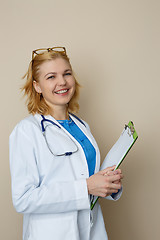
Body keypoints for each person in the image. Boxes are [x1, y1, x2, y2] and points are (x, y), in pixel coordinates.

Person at [9, 46, 123, 240]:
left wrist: (107, 183)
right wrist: (85, 187)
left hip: (91, 229)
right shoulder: (27, 131)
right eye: (51, 77)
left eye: (67, 73)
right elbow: (23, 199)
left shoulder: (81, 125)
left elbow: (84, 176)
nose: (62, 82)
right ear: (37, 86)